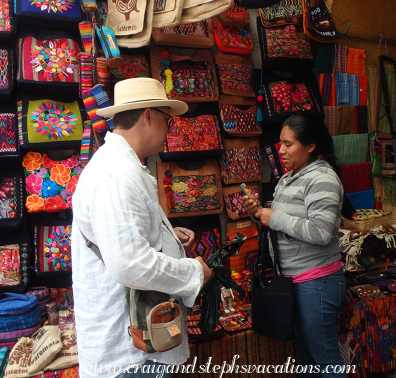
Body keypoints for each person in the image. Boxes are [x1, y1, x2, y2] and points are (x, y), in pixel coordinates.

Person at [71, 78, 212, 378]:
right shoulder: (115, 175)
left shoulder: (124, 166)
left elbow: (128, 238)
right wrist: (195, 273)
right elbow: (129, 264)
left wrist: (169, 237)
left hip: (139, 344)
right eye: (167, 122)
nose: (168, 133)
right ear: (148, 116)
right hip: (131, 355)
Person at [243, 115, 350, 378]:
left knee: (325, 358)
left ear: (310, 145)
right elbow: (285, 225)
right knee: (306, 357)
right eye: (280, 144)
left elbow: (322, 231)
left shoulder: (322, 179)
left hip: (317, 283)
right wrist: (258, 213)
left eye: (288, 144)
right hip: (297, 281)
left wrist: (274, 217)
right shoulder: (288, 179)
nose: (280, 151)